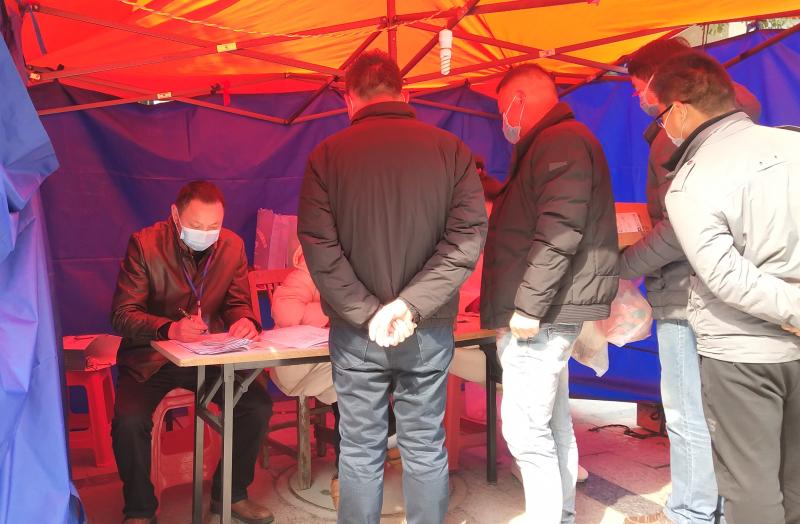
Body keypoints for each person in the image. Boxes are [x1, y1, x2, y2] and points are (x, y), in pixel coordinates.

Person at [297, 50, 487, 524]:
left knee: (360, 449)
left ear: (349, 98)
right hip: (426, 328)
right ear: (406, 93)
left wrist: (369, 313)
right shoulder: (452, 151)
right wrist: (408, 305)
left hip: (355, 333)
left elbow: (319, 248)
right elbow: (467, 239)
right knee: (424, 446)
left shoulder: (326, 156)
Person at [651, 51, 800, 524]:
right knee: (795, 481)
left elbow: (726, 276)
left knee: (750, 489)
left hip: (743, 353)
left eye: (660, 116)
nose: (662, 128)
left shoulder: (691, 180)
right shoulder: (793, 144)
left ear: (678, 110)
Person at [619, 38, 760, 524]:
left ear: (666, 82)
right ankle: (716, 508)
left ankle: (691, 513)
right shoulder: (744, 124)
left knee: (685, 412)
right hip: (734, 289)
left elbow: (679, 227)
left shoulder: (677, 133)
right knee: (721, 413)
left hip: (685, 293)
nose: (640, 98)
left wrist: (625, 263)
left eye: (640, 87)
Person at [480, 64, 619, 524]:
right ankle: (560, 514)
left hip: (543, 312)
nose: (504, 120)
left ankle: (547, 516)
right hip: (551, 309)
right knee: (552, 423)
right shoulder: (552, 143)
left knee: (525, 430)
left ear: (520, 99)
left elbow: (560, 229)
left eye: (503, 108)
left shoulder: (560, 143)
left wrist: (528, 306)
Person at [110, 181, 274, 524]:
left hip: (205, 355)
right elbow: (123, 315)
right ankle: (139, 509)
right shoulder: (145, 244)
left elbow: (237, 303)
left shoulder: (231, 246)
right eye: (196, 226)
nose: (206, 234)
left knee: (257, 405)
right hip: (149, 359)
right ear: (175, 214)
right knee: (129, 421)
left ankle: (231, 494)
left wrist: (244, 320)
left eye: (214, 226)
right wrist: (169, 328)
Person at [269, 245, 400, 510]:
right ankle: (391, 432)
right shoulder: (312, 264)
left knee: (355, 381)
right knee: (360, 376)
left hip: (339, 364)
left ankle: (350, 472)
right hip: (299, 367)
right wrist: (340, 313)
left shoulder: (370, 267)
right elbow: (285, 311)